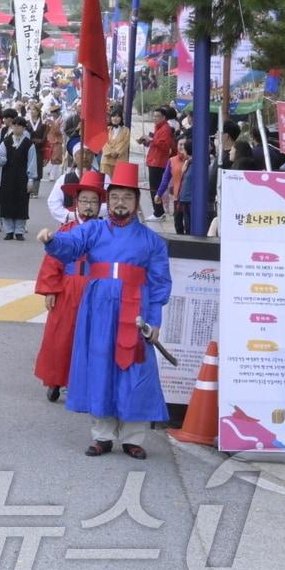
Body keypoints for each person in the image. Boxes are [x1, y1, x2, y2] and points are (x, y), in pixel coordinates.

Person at [37, 162, 170, 459]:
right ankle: (102, 435)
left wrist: (155, 320)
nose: (119, 203)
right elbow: (69, 244)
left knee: (135, 369)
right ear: (108, 201)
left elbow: (160, 283)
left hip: (136, 311)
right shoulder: (94, 230)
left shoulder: (152, 242)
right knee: (99, 366)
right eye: (115, 197)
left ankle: (133, 437)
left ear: (137, 202)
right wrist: (51, 240)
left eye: (127, 197)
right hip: (97, 311)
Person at [34, 171, 104, 402]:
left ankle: (86, 382)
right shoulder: (66, 230)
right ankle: (55, 380)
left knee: (93, 337)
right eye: (84, 200)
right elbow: (53, 261)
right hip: (68, 288)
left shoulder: (107, 232)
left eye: (94, 201)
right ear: (76, 203)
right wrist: (50, 289)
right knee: (61, 336)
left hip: (96, 289)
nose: (88, 206)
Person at [0, 115, 38, 240]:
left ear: (24, 128)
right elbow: (2, 160)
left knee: (21, 203)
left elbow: (32, 162)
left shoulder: (29, 144)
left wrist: (31, 179)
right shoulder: (6, 142)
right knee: (7, 202)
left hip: (22, 177)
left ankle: (19, 231)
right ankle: (8, 230)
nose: (16, 128)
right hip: (7, 176)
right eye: (14, 125)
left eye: (19, 126)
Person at [138, 107, 175, 218]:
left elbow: (165, 146)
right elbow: (155, 143)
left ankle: (158, 212)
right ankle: (158, 211)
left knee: (155, 188)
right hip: (153, 160)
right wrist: (146, 141)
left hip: (158, 162)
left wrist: (151, 140)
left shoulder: (166, 129)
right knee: (154, 187)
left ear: (163, 117)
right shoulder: (158, 128)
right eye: (154, 116)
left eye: (157, 116)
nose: (155, 118)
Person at [100, 108, 131, 176]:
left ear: (121, 118)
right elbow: (103, 143)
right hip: (106, 160)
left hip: (120, 160)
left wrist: (116, 152)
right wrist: (110, 152)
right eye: (113, 116)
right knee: (105, 182)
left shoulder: (126, 130)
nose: (115, 118)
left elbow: (124, 143)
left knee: (118, 183)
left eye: (117, 116)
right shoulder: (106, 129)